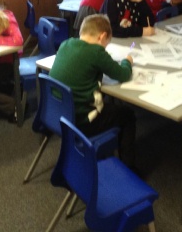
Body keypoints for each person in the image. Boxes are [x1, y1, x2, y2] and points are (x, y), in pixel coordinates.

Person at [49, 14, 136, 167]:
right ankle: (128, 168)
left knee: (109, 105)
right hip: (81, 121)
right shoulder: (96, 52)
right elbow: (123, 74)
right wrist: (127, 62)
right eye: (106, 44)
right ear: (102, 37)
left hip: (58, 114)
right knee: (128, 115)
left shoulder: (66, 44)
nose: (104, 48)